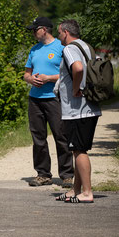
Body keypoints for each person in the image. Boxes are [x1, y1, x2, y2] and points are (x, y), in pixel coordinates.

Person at [24, 16, 74, 188]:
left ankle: (67, 175)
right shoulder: (34, 50)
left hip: (54, 98)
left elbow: (69, 74)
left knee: (61, 136)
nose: (33, 33)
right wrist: (31, 79)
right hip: (35, 99)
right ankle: (43, 174)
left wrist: (49, 78)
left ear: (43, 29)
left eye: (34, 30)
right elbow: (26, 73)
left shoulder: (61, 48)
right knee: (38, 138)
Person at [56, 19, 101, 203]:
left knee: (79, 151)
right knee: (77, 150)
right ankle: (75, 190)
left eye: (59, 32)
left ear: (66, 32)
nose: (59, 36)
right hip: (90, 107)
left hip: (77, 110)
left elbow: (78, 68)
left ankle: (87, 192)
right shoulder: (87, 47)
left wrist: (75, 88)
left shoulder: (68, 48)